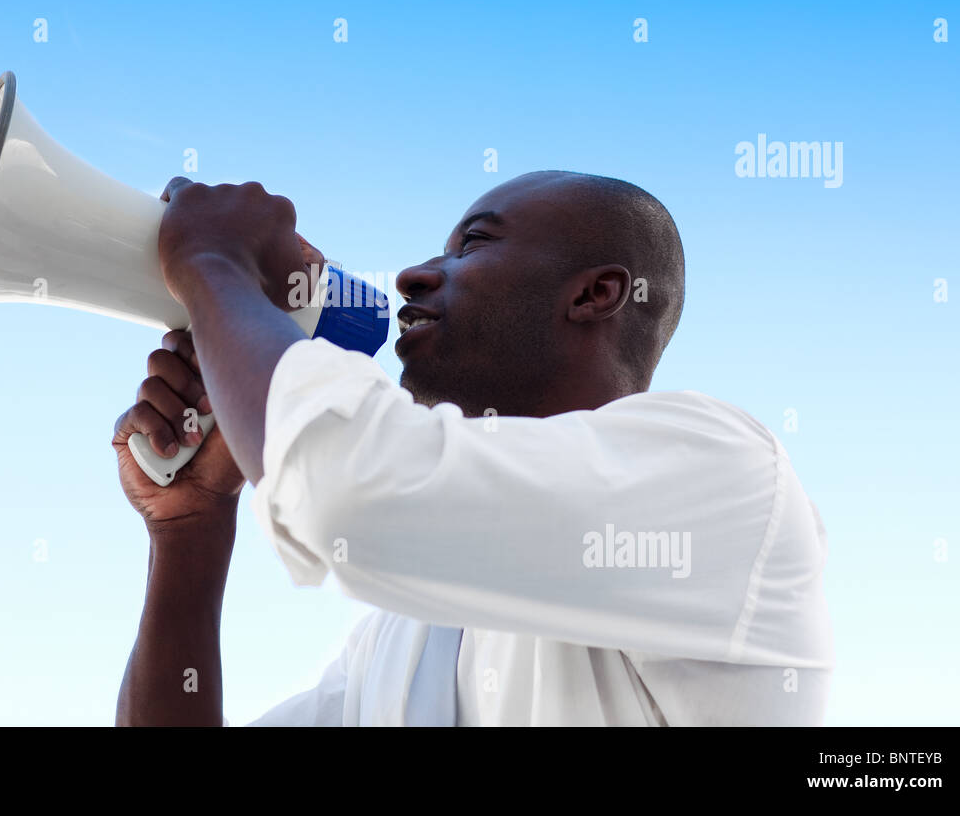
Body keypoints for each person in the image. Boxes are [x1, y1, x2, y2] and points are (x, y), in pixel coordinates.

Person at [112, 170, 833, 726]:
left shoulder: (720, 468)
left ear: (596, 294)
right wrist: (192, 525)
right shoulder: (403, 641)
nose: (413, 276)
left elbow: (348, 496)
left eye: (474, 245)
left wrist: (214, 265)